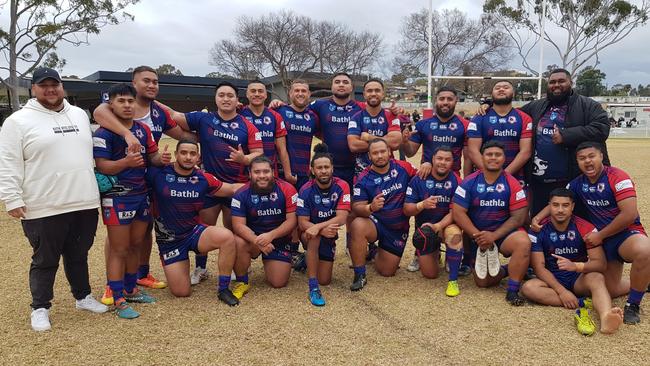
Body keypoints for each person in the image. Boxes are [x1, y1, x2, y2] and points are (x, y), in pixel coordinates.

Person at [0, 67, 108, 331]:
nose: (50, 90)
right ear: (33, 89)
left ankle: (82, 297)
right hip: (44, 204)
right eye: (43, 85)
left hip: (82, 200)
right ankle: (40, 307)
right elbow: (8, 162)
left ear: (62, 87)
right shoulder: (17, 121)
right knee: (45, 259)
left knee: (78, 255)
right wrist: (11, 198)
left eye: (55, 84)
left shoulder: (79, 115)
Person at [93, 66, 196, 300]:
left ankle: (140, 275)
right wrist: (127, 136)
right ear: (134, 83)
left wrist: (210, 137)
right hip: (121, 185)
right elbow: (99, 113)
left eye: (155, 82)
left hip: (148, 179)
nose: (151, 85)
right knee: (118, 235)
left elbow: (181, 134)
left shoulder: (159, 111)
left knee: (144, 229)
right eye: (146, 81)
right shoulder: (113, 108)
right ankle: (114, 284)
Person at [532, 141, 650, 324]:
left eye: (591, 156)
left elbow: (629, 214)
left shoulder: (618, 177)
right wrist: (537, 218)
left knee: (644, 250)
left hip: (624, 235)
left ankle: (633, 305)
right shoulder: (578, 184)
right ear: (577, 161)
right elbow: (560, 200)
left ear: (601, 156)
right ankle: (645, 281)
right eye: (582, 158)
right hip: (601, 242)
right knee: (609, 290)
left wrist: (601, 235)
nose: (587, 161)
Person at [165, 82, 264, 284]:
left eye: (230, 95)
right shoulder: (203, 119)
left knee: (235, 230)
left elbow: (259, 152)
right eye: (221, 95)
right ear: (215, 99)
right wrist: (149, 100)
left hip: (235, 187)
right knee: (203, 227)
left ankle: (237, 266)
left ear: (237, 101)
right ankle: (201, 268)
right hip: (209, 186)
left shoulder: (248, 125)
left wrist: (244, 159)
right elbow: (174, 115)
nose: (226, 99)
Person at [93, 83, 171, 318]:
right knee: (119, 249)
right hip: (117, 198)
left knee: (136, 244)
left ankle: (131, 288)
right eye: (121, 101)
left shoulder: (142, 130)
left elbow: (152, 157)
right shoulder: (103, 133)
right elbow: (102, 166)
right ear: (111, 104)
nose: (127, 105)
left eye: (130, 101)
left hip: (141, 195)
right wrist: (126, 163)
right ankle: (117, 298)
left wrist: (163, 158)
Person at [147, 140, 242, 305]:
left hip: (193, 233)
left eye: (192, 154)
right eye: (183, 153)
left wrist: (266, 182)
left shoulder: (203, 178)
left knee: (226, 236)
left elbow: (232, 188)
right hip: (170, 242)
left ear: (198, 158)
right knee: (181, 292)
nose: (188, 157)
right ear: (176, 155)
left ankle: (224, 289)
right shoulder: (159, 173)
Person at [522, 188, 623, 336]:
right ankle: (583, 302)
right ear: (549, 206)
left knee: (597, 277)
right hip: (552, 278)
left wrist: (576, 266)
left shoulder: (585, 227)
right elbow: (539, 267)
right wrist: (562, 291)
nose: (560, 210)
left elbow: (600, 264)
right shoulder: (538, 230)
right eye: (555, 205)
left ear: (573, 207)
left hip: (578, 278)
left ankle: (606, 317)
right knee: (528, 288)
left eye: (565, 205)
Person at [519, 68, 610, 216]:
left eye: (561, 81)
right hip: (540, 183)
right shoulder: (537, 105)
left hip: (575, 181)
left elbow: (601, 129)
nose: (556, 85)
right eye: (552, 82)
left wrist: (566, 135)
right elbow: (513, 115)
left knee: (577, 227)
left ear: (570, 83)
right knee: (541, 226)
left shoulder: (588, 105)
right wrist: (489, 106)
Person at [452, 140, 530, 306]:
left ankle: (512, 290)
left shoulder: (512, 183)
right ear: (482, 157)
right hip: (477, 236)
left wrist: (493, 236)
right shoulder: (469, 182)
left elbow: (519, 217)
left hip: (503, 235)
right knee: (483, 283)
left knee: (523, 242)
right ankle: (508, 269)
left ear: (504, 158)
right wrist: (477, 235)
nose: (493, 158)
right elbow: (458, 212)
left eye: (498, 154)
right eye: (489, 154)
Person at [349, 138, 417, 291]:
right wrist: (370, 207)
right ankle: (359, 274)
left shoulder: (404, 167)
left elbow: (421, 178)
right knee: (357, 225)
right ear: (369, 155)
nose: (379, 156)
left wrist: (427, 165)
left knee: (387, 272)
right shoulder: (364, 178)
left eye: (382, 151)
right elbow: (357, 207)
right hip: (376, 223)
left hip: (398, 228)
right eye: (375, 153)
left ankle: (373, 252)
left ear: (389, 152)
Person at [230, 156, 299, 297]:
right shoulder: (240, 194)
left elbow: (292, 221)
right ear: (250, 174)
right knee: (237, 241)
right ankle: (242, 281)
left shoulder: (287, 189)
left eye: (266, 171)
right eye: (257, 172)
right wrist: (258, 241)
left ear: (273, 172)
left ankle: (283, 259)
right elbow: (238, 226)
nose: (262, 176)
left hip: (278, 240)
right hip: (253, 239)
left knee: (278, 282)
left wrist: (270, 236)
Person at [403, 146, 462, 296]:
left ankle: (453, 278)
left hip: (445, 226)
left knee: (454, 234)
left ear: (453, 162)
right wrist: (422, 204)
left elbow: (455, 212)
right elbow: (407, 209)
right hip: (425, 231)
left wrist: (438, 226)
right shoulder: (419, 178)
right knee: (430, 274)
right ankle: (434, 253)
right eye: (439, 159)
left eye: (447, 159)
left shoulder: (457, 181)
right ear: (433, 160)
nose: (443, 163)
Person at [296, 144, 350, 306]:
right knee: (314, 237)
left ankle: (307, 261)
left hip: (328, 233)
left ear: (332, 169)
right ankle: (313, 287)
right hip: (309, 234)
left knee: (325, 279)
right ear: (312, 170)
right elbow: (302, 222)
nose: (323, 171)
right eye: (319, 168)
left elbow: (342, 217)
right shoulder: (305, 190)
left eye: (327, 167)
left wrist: (320, 227)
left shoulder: (342, 186)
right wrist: (317, 229)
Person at [467, 80, 533, 184]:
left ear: (513, 93)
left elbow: (525, 152)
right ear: (491, 94)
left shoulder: (524, 118)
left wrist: (504, 175)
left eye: (506, 87)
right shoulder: (479, 118)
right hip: (484, 177)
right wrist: (490, 173)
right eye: (497, 88)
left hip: (515, 178)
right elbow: (472, 150)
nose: (501, 89)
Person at [402, 86, 469, 179]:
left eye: (449, 99)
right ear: (436, 100)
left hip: (452, 179)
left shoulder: (465, 125)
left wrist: (467, 182)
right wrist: (405, 142)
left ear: (456, 101)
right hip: (426, 176)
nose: (445, 102)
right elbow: (410, 153)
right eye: (442, 99)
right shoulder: (423, 124)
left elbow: (468, 159)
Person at [240, 81, 294, 183]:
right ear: (247, 94)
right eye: (253, 91)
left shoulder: (275, 116)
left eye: (260, 91)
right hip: (245, 174)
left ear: (265, 95)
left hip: (269, 172)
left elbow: (282, 149)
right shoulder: (239, 114)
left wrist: (288, 173)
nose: (257, 94)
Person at [347, 79, 402, 174]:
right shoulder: (356, 117)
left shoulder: (391, 116)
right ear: (364, 94)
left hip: (389, 172)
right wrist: (384, 141)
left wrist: (369, 137)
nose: (373, 93)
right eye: (369, 91)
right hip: (363, 172)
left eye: (377, 90)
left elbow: (395, 143)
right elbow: (353, 145)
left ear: (383, 94)